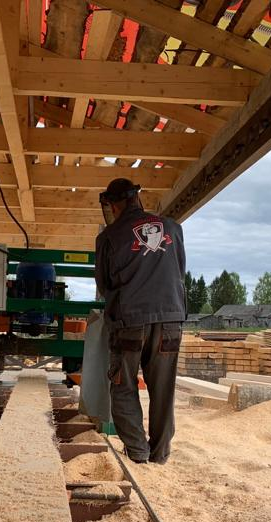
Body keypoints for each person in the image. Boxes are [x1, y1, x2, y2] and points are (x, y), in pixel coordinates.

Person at [94, 178, 186, 464]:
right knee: (163, 389)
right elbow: (179, 270)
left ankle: (137, 454)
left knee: (123, 387)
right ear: (138, 198)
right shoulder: (172, 228)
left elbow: (104, 283)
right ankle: (159, 455)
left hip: (130, 321)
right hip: (170, 319)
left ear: (114, 203)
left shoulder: (109, 237)